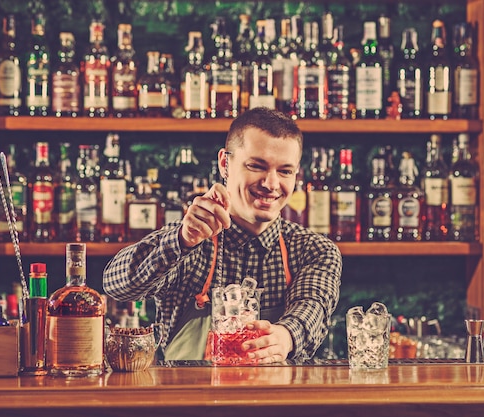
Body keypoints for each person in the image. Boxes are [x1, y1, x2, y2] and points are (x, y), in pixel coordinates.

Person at [103, 107, 342, 363]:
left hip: (274, 400)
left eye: (285, 171)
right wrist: (182, 240)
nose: (271, 184)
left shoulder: (313, 250)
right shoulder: (190, 240)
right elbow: (117, 285)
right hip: (187, 398)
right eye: (256, 166)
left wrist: (285, 336)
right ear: (225, 164)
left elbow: (312, 306)